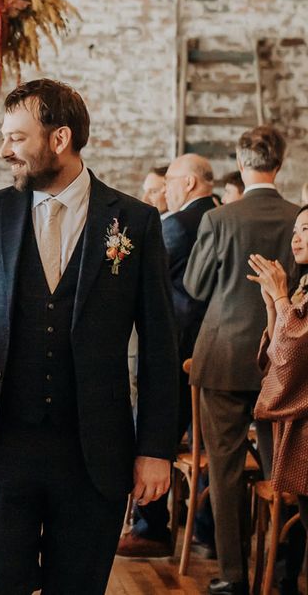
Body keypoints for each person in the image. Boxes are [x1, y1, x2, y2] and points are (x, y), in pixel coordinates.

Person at [0, 79, 178, 594]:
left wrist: (156, 447)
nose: (3, 149)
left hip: (94, 451)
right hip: (0, 443)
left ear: (60, 139)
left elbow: (161, 346)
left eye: (15, 137)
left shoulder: (135, 222)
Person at [185, 125, 299, 595]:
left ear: (240, 158)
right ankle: (285, 574)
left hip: (225, 354)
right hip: (285, 359)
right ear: (281, 161)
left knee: (225, 467)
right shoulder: (299, 216)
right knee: (287, 469)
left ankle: (232, 575)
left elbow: (193, 286)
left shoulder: (220, 219)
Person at [118, 153, 218, 557]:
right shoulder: (218, 216)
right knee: (207, 445)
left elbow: (142, 276)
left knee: (154, 433)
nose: (165, 191)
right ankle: (207, 532)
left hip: (176, 347)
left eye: (169, 182)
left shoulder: (177, 225)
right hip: (212, 349)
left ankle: (151, 527)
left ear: (189, 183)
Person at [248, 207, 308, 532]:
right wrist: (273, 303)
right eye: (295, 230)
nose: (296, 238)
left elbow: (293, 352)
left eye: (306, 229)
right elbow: (276, 351)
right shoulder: (303, 285)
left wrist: (282, 295)